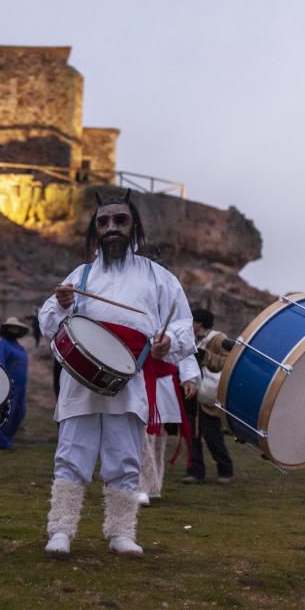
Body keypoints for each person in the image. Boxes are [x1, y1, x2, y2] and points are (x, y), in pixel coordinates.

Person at [38, 189, 194, 558]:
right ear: (96, 229)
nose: (111, 228)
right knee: (71, 454)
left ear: (133, 226)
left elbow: (184, 325)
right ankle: (61, 529)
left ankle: (121, 533)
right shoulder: (81, 275)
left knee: (125, 457)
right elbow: (47, 322)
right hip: (80, 381)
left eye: (119, 221)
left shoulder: (159, 278)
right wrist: (61, 305)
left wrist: (167, 340)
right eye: (103, 222)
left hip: (129, 378)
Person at [182, 308, 234, 485]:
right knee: (192, 437)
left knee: (213, 437)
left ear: (199, 323)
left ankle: (225, 471)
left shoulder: (218, 339)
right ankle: (195, 472)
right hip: (192, 396)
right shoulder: (191, 340)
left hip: (207, 395)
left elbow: (228, 361)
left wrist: (207, 357)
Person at [137, 354, 199, 505]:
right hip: (138, 377)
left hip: (163, 381)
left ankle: (152, 487)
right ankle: (142, 486)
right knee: (142, 435)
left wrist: (189, 377)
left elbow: (184, 345)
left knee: (157, 437)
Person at [0, 317, 30, 450]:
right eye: (11, 327)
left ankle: (8, 438)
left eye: (16, 328)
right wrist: (1, 383)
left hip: (21, 387)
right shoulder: (2, 345)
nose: (14, 330)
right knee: (7, 413)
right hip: (7, 385)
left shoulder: (20, 348)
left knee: (20, 411)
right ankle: (1, 440)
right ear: (6, 330)